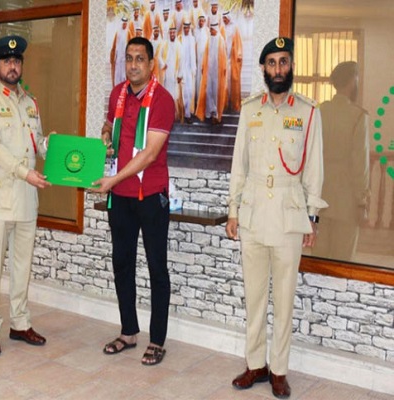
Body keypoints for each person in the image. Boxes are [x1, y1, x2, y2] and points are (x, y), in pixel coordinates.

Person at [226, 37, 327, 399]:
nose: (278, 69)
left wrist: (312, 217)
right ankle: (256, 364)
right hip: (253, 214)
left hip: (289, 216)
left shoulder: (308, 112)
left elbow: (314, 168)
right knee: (254, 297)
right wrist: (233, 210)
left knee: (284, 299)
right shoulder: (250, 110)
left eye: (284, 62)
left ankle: (279, 370)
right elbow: (239, 165)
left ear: (291, 66)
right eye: (272, 63)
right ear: (264, 68)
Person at [92, 37, 175, 366]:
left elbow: (151, 153)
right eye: (128, 58)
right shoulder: (117, 94)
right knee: (122, 263)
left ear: (151, 64)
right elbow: (109, 125)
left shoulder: (163, 100)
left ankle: (157, 340)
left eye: (140, 58)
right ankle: (128, 332)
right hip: (121, 198)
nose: (133, 64)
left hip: (151, 196)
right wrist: (105, 137)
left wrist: (112, 180)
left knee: (157, 268)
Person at [0, 35, 51, 357]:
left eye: (17, 60)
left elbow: (37, 144)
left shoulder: (30, 103)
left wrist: (53, 147)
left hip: (27, 198)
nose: (12, 65)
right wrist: (24, 172)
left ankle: (20, 323)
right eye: (6, 61)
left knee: (22, 265)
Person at [312, 61, 370, 261]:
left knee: (319, 260)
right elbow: (360, 165)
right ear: (352, 81)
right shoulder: (358, 117)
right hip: (347, 201)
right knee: (342, 261)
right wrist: (362, 202)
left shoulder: (319, 112)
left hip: (319, 197)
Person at [195, 15, 227, 124]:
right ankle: (209, 112)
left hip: (217, 72)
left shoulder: (221, 40)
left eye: (212, 30)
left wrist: (224, 69)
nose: (211, 31)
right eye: (211, 29)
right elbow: (205, 55)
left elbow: (224, 56)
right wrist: (203, 67)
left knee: (215, 93)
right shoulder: (209, 40)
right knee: (208, 91)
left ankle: (216, 114)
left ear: (216, 29)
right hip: (209, 71)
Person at [222, 10, 243, 112]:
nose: (224, 20)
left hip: (233, 57)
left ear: (229, 18)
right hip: (225, 57)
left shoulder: (235, 28)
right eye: (223, 18)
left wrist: (239, 54)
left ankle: (235, 104)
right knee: (225, 81)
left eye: (225, 18)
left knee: (234, 80)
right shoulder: (222, 28)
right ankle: (225, 104)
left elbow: (238, 42)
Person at [111, 16, 129, 86]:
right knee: (118, 73)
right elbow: (114, 46)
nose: (124, 25)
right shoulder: (118, 33)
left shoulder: (128, 33)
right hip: (118, 57)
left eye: (125, 24)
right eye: (123, 24)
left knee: (124, 74)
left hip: (125, 57)